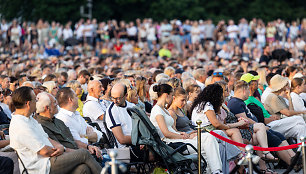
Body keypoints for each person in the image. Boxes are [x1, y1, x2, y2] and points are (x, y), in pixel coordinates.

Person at [9, 86, 102, 174]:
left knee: (82, 169)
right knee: (83, 154)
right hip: (41, 166)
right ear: (28, 104)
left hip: (49, 159)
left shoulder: (28, 119)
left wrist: (61, 147)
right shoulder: (20, 125)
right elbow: (44, 151)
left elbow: (47, 138)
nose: (37, 103)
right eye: (35, 100)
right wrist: (61, 149)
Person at [150, 84, 223, 174]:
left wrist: (184, 134)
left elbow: (172, 130)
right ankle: (216, 171)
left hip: (177, 139)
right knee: (207, 145)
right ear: (166, 95)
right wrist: (183, 136)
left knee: (208, 138)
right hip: (172, 143)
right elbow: (166, 133)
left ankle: (215, 171)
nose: (173, 97)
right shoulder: (157, 110)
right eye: (172, 95)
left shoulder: (163, 109)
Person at [35, 92, 102, 158]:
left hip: (77, 152)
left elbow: (73, 140)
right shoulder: (42, 125)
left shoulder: (58, 121)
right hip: (67, 157)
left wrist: (88, 147)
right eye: (54, 102)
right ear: (47, 108)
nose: (57, 104)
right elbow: (60, 149)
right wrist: (82, 152)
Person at [104, 83, 147, 162]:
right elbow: (122, 139)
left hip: (137, 143)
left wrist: (143, 140)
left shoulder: (132, 106)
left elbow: (142, 127)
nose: (114, 101)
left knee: (164, 148)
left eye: (118, 98)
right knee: (157, 153)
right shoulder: (112, 111)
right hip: (124, 150)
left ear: (126, 95)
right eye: (113, 98)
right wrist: (141, 140)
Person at [264, 75, 306, 142]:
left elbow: (290, 112)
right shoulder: (272, 97)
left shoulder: (279, 97)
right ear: (281, 86)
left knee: (300, 128)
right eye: (286, 84)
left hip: (280, 124)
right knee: (299, 118)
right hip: (272, 125)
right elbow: (288, 113)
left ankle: (301, 150)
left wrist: (289, 97)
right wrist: (302, 111)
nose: (288, 86)